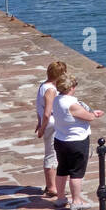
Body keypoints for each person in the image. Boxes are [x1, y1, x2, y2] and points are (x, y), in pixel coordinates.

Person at [50, 74, 104, 210]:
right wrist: (94, 114)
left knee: (62, 169)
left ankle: (61, 198)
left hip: (60, 139)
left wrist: (89, 113)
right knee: (76, 173)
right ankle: (76, 201)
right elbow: (89, 117)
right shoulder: (71, 104)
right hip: (76, 141)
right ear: (71, 88)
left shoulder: (56, 100)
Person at [35, 60, 67, 198]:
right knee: (52, 155)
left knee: (50, 153)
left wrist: (39, 122)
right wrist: (42, 128)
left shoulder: (43, 85)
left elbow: (39, 108)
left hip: (46, 123)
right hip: (52, 125)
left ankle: (50, 184)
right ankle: (52, 187)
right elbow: (48, 112)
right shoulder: (51, 90)